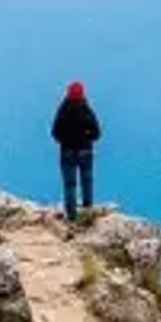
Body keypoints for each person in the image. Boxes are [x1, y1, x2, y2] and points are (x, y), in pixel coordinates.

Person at [51, 79, 102, 220]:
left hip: (67, 152)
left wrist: (65, 141)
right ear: (82, 94)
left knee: (70, 185)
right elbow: (97, 133)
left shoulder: (63, 111)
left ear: (68, 94)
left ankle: (72, 216)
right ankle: (88, 209)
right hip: (85, 151)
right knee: (87, 180)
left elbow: (55, 132)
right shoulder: (86, 110)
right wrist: (87, 138)